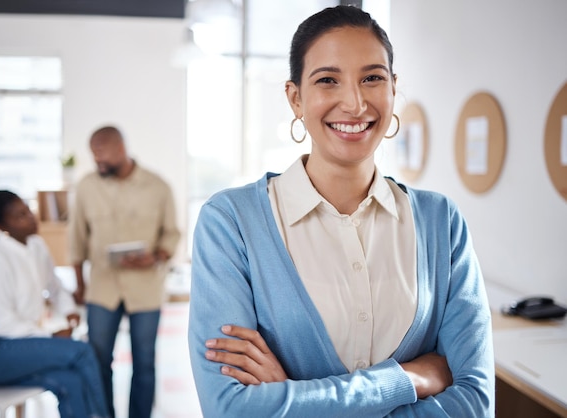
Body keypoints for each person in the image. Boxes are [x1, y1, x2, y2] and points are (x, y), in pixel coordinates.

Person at [188, 5, 494, 417]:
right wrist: (408, 380)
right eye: (328, 80)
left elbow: (475, 404)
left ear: (392, 88)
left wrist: (293, 399)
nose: (354, 103)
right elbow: (232, 410)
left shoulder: (442, 222)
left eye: (372, 78)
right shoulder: (231, 223)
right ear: (296, 98)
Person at [69, 126, 181, 418]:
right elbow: (77, 239)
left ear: (121, 148)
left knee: (144, 362)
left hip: (145, 288)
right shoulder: (86, 187)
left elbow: (172, 234)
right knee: (97, 359)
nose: (97, 161)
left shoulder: (158, 187)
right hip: (102, 288)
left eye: (102, 154)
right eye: (94, 155)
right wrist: (79, 284)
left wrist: (156, 256)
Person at [0, 190, 109, 418]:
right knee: (82, 352)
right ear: (2, 227)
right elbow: (1, 324)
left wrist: (69, 311)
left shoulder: (36, 246)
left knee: (70, 382)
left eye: (27, 209)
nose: (31, 217)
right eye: (20, 215)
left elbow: (54, 286)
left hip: (21, 345)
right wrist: (50, 337)